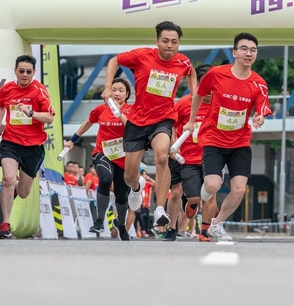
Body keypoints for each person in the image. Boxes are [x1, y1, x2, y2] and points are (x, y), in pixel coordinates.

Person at [101, 21, 196, 228]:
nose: (170, 46)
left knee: (162, 157)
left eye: (174, 42)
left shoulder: (183, 62)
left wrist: (193, 93)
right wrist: (108, 87)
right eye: (165, 41)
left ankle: (160, 208)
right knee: (129, 176)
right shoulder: (142, 55)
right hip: (138, 120)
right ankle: (137, 187)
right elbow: (114, 60)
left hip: (163, 119)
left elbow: (191, 72)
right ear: (157, 41)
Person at [184, 32, 271, 241]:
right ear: (234, 53)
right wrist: (191, 120)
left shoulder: (259, 83)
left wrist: (259, 117)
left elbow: (261, 108)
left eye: (253, 50)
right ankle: (200, 197)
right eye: (244, 49)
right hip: (214, 139)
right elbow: (198, 95)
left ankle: (217, 224)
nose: (248, 53)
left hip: (240, 142)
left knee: (239, 190)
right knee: (212, 186)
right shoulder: (216, 74)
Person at [0, 55, 55, 239]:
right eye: (21, 71)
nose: (25, 75)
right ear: (15, 71)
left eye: (28, 72)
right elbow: (0, 106)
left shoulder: (39, 90)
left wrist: (31, 112)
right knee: (8, 178)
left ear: (34, 72)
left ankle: (13, 188)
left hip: (33, 146)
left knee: (24, 192)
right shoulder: (7, 89)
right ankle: (5, 225)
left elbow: (50, 118)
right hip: (10, 142)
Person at [64, 77, 132, 240]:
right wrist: (72, 140)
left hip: (123, 157)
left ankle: (121, 225)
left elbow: (132, 128)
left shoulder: (132, 110)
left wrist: (119, 112)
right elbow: (87, 123)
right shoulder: (100, 109)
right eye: (113, 90)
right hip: (103, 152)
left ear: (127, 94)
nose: (117, 93)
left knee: (121, 194)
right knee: (106, 178)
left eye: (121, 90)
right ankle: (99, 220)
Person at [172, 64, 218, 242]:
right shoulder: (184, 104)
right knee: (195, 197)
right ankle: (191, 202)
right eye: (204, 85)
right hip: (189, 159)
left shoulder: (221, 104)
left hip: (214, 157)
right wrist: (173, 145)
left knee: (211, 194)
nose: (209, 91)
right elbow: (172, 127)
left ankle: (204, 232)